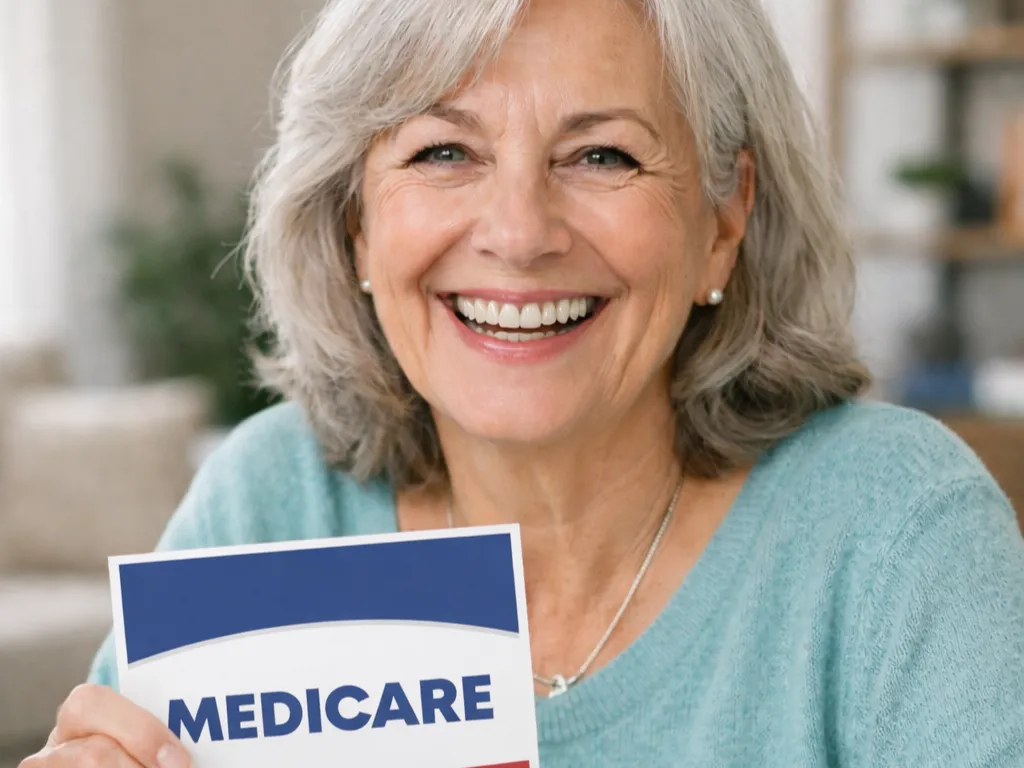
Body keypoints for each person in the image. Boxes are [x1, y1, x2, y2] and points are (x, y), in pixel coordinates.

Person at [21, 0, 1024, 765]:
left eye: (600, 154)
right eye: (443, 150)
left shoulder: (893, 530)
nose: (518, 233)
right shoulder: (272, 501)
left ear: (723, 220)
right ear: (357, 223)